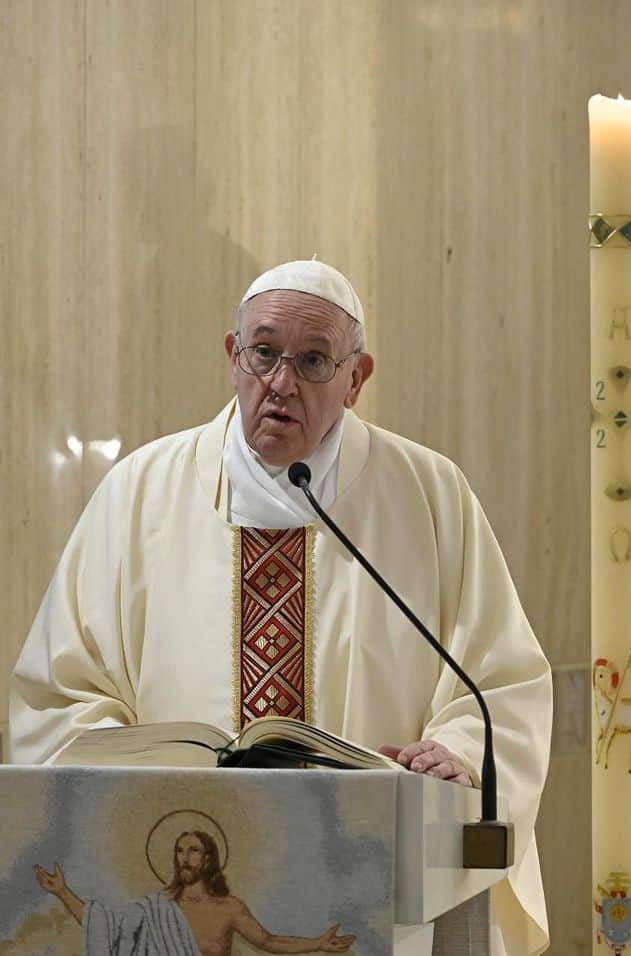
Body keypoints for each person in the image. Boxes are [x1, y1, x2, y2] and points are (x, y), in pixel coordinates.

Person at [11, 259, 552, 954]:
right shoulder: (137, 495)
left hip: (371, 875)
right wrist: (132, 773)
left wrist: (459, 751)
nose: (281, 383)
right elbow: (60, 694)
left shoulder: (427, 495)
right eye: (264, 353)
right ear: (233, 357)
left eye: (314, 361)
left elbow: (500, 680)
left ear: (357, 380)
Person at [35, 830, 356, 955]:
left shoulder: (229, 908)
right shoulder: (156, 907)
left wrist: (317, 943)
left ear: (208, 859)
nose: (184, 857)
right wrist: (62, 892)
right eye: (179, 850)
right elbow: (104, 924)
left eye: (192, 851)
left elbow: (268, 941)